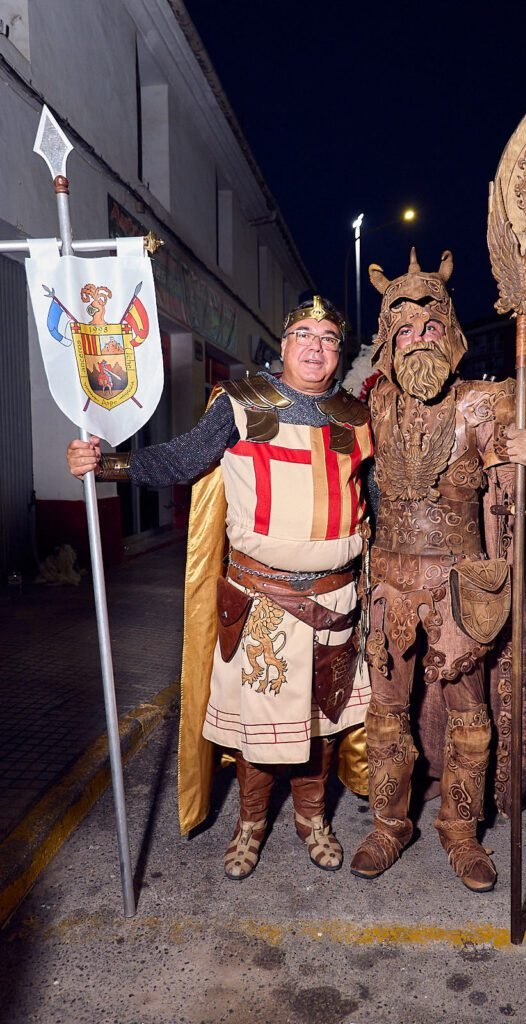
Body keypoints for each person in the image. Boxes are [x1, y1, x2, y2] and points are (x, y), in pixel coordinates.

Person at [67, 296, 373, 880]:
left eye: (329, 337)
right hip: (262, 601)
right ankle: (251, 823)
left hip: (338, 602)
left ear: (340, 351)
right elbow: (180, 460)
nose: (315, 346)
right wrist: (105, 464)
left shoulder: (356, 418)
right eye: (303, 333)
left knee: (324, 721)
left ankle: (313, 819)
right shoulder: (241, 404)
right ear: (282, 346)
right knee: (260, 730)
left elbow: (378, 504)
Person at [350, 249, 526, 892]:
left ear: (451, 331)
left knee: (469, 716)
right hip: (388, 583)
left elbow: (519, 507)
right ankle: (389, 824)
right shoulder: (374, 406)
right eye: (403, 331)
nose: (417, 341)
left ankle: (461, 833)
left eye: (429, 327)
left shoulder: (484, 404)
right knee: (386, 713)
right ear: (387, 340)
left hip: (462, 587)